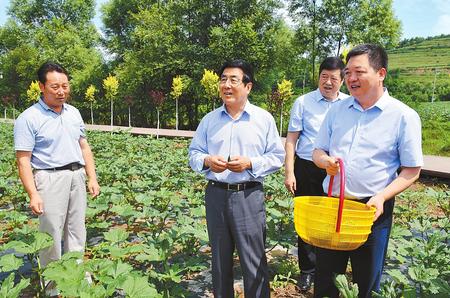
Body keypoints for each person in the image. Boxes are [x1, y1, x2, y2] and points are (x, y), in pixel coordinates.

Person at [312, 44, 423, 298]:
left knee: (367, 284)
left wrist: (382, 196)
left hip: (370, 212)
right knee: (327, 282)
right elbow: (317, 151)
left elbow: (412, 170)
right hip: (333, 209)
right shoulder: (337, 110)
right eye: (348, 72)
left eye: (358, 72)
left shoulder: (403, 116)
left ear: (381, 73)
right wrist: (324, 161)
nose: (350, 78)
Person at [189, 59, 285, 297]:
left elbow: (277, 157)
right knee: (220, 261)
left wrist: (250, 163)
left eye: (233, 80)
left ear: (248, 86)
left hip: (249, 195)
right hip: (216, 195)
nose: (226, 85)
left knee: (253, 260)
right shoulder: (209, 120)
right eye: (223, 79)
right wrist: (207, 161)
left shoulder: (263, 119)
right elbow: (193, 154)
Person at [14, 62, 100, 270]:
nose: (61, 92)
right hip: (49, 178)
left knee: (77, 229)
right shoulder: (28, 118)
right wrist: (33, 193)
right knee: (50, 232)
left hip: (76, 175)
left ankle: (76, 276)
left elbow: (84, 147)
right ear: (42, 87)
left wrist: (92, 177)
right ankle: (53, 285)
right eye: (55, 87)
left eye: (65, 86)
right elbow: (23, 160)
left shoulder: (74, 113)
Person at [284, 57, 347, 291]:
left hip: (335, 170)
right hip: (307, 168)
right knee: (308, 222)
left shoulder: (349, 104)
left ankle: (329, 270)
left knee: (332, 220)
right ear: (318, 77)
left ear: (342, 80)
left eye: (333, 78)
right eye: (324, 77)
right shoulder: (303, 102)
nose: (328, 82)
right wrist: (289, 172)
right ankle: (307, 271)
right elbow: (292, 140)